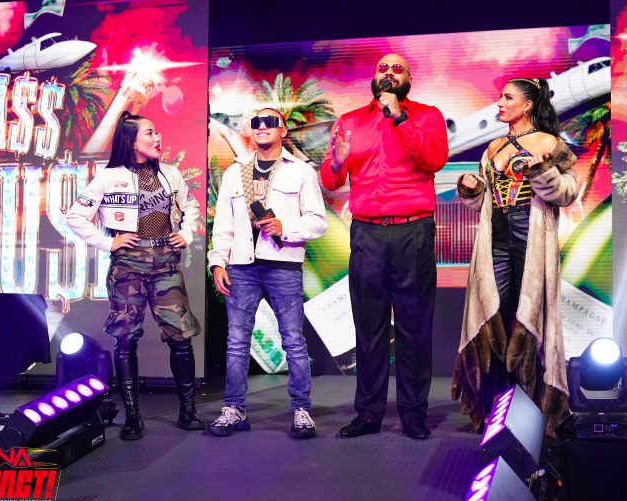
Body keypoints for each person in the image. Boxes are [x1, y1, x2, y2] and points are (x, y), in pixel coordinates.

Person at [320, 54, 448, 440]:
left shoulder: (427, 116)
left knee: (414, 327)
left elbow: (435, 159)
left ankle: (413, 413)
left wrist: (399, 118)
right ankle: (368, 414)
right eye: (382, 68)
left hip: (413, 231)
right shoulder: (350, 122)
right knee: (369, 328)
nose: (388, 73)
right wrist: (337, 162)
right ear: (374, 78)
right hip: (367, 234)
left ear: (408, 79)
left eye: (397, 69)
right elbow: (330, 180)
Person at [451, 77, 578, 435]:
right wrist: (472, 190)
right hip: (496, 238)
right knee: (494, 317)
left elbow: (568, 192)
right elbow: (483, 202)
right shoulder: (493, 147)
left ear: (527, 105)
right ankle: (495, 405)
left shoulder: (549, 143)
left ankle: (533, 409)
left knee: (528, 318)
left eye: (508, 98)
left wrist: (543, 172)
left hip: (530, 235)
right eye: (500, 97)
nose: (500, 103)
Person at [66, 111, 203, 440]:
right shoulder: (108, 177)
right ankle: (132, 417)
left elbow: (192, 207)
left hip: (166, 262)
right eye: (150, 133)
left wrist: (186, 233)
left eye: (157, 132)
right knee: (125, 338)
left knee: (180, 336)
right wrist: (108, 242)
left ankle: (188, 412)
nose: (158, 138)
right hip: (128, 264)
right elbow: (75, 216)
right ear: (131, 141)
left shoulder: (170, 174)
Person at [208, 108, 327, 438]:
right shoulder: (235, 172)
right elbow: (224, 223)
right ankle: (234, 408)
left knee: (293, 341)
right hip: (241, 265)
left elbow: (318, 221)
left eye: (270, 122)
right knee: (236, 342)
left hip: (283, 264)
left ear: (283, 130)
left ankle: (301, 411)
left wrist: (284, 226)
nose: (262, 127)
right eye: (256, 123)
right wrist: (217, 262)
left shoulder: (300, 171)